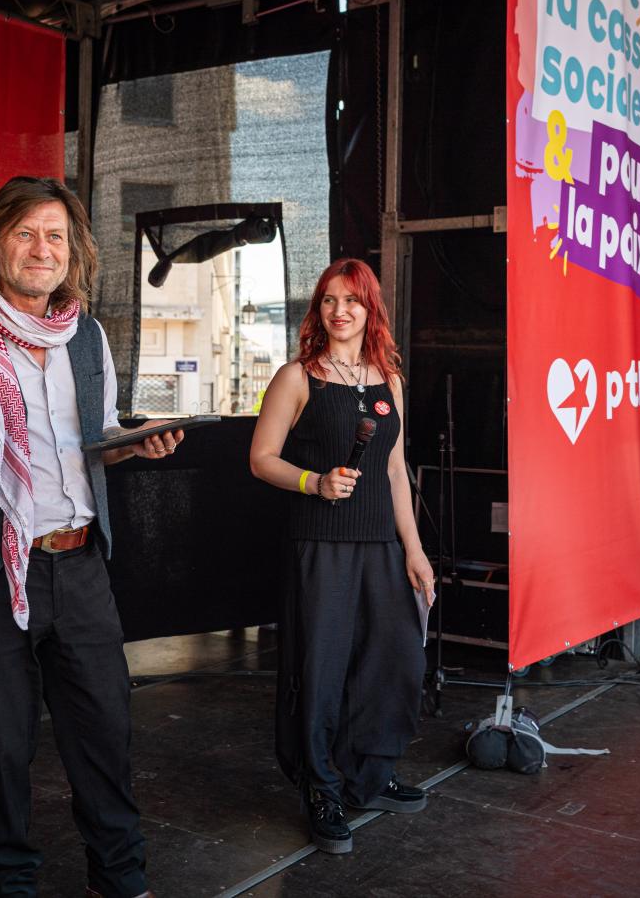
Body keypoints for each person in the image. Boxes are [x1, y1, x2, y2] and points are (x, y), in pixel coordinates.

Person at [0, 176, 181, 898]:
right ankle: (11, 882)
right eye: (25, 233)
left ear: (72, 250)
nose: (41, 249)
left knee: (104, 730)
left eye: (55, 235)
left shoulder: (86, 336)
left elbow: (95, 440)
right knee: (2, 741)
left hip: (79, 562)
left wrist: (133, 443)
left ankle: (120, 877)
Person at [248, 257, 436, 855]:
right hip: (321, 546)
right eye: (329, 300)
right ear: (318, 309)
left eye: (351, 300)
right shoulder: (298, 377)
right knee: (321, 671)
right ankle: (322, 789)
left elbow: (395, 472)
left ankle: (368, 776)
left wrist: (415, 551)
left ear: (369, 308)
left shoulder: (388, 379)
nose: (340, 310)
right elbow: (261, 458)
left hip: (381, 544)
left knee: (389, 662)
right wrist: (314, 482)